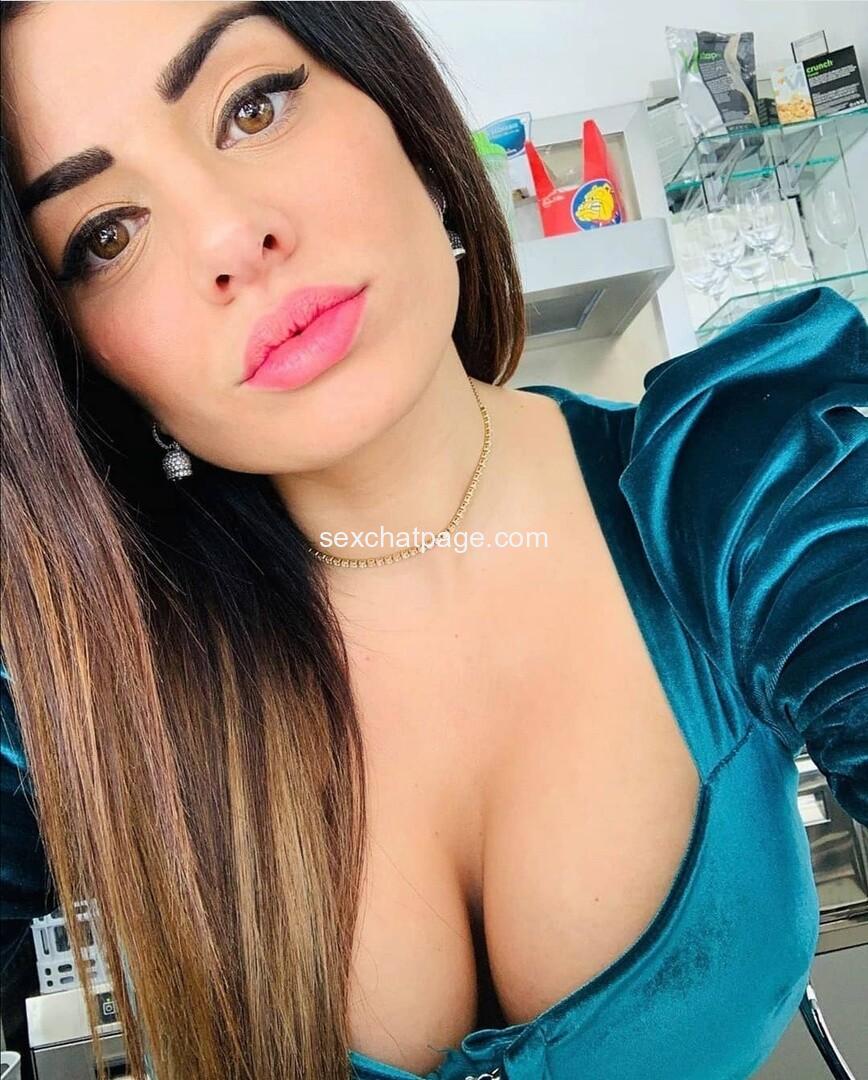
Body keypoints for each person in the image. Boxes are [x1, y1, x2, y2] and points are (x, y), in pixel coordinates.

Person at [0, 3, 865, 1080]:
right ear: (80, 357)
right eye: (105, 235)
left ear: (403, 117)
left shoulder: (748, 489)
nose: (228, 237)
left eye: (252, 107)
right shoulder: (74, 678)